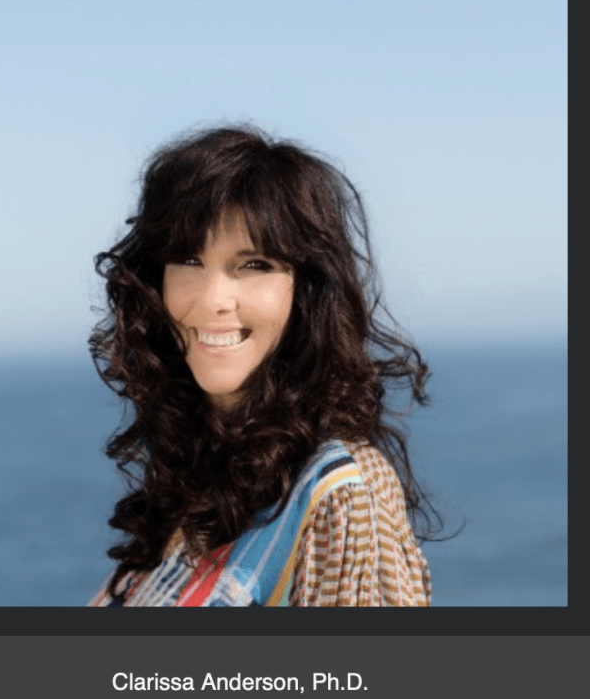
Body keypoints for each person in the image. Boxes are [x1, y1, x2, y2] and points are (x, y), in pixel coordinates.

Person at [87, 125, 438, 607]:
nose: (213, 300)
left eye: (254, 264)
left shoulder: (340, 492)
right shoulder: (199, 483)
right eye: (188, 259)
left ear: (306, 291)